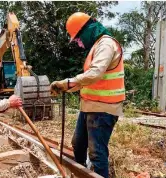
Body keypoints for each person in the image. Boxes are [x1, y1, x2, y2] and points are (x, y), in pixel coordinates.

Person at [50, 12, 125, 178]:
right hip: (89, 107)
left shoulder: (106, 44)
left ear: (86, 30)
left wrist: (66, 83)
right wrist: (66, 88)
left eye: (78, 38)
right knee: (78, 144)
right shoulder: (97, 47)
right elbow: (88, 81)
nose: (79, 43)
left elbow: (94, 74)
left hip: (103, 109)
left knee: (97, 154)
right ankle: (80, 174)